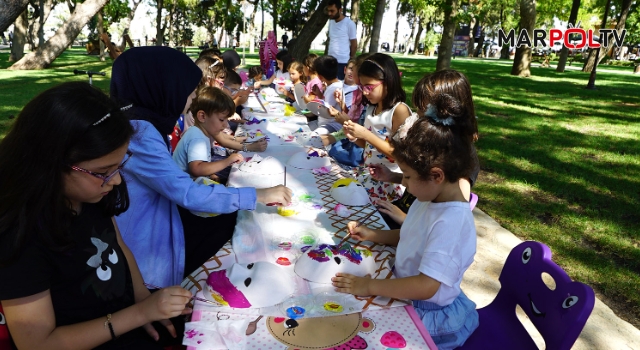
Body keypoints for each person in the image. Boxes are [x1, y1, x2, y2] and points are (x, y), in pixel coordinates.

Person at [0, 82, 193, 349]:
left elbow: (119, 246)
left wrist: (143, 302)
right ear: (51, 162)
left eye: (119, 166)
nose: (114, 182)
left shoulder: (89, 196)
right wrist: (139, 314)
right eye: (103, 172)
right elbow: (37, 344)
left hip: (124, 321)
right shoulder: (18, 235)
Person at [110, 47, 292, 288]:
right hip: (146, 250)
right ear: (164, 86)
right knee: (232, 225)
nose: (192, 100)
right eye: (190, 92)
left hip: (157, 224)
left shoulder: (144, 123)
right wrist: (260, 194)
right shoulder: (140, 132)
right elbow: (188, 192)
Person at [332, 92, 480, 349]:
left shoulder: (451, 222)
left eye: (408, 177)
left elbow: (426, 286)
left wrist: (369, 286)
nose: (405, 183)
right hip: (404, 291)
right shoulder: (430, 199)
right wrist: (373, 235)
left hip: (428, 314)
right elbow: (409, 235)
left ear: (436, 175)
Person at [365, 70, 480, 228]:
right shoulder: (429, 141)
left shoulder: (461, 158)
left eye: (424, 111)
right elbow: (425, 182)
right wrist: (394, 176)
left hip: (411, 227)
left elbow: (449, 219)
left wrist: (404, 219)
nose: (417, 116)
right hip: (402, 212)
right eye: (418, 109)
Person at [342, 53, 411, 204]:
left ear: (388, 82)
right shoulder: (372, 108)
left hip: (390, 182)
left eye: (369, 87)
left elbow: (400, 155)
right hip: (369, 174)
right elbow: (369, 145)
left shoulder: (399, 111)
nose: (365, 92)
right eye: (362, 86)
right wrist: (354, 137)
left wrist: (365, 134)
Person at [172, 87, 244, 182]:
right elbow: (197, 169)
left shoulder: (200, 132)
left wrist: (211, 174)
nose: (226, 124)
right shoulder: (197, 138)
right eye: (222, 120)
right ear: (202, 116)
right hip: (183, 187)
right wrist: (227, 161)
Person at [325, 0, 357, 80]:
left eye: (332, 11)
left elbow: (354, 44)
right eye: (328, 11)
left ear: (340, 10)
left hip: (342, 62)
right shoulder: (331, 22)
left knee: (339, 87)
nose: (329, 13)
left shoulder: (349, 24)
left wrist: (351, 58)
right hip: (330, 60)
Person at [313, 55, 343, 134]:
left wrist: (312, 107)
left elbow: (327, 111)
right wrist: (319, 94)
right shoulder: (337, 84)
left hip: (331, 126)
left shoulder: (333, 89)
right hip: (325, 124)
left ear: (320, 77)